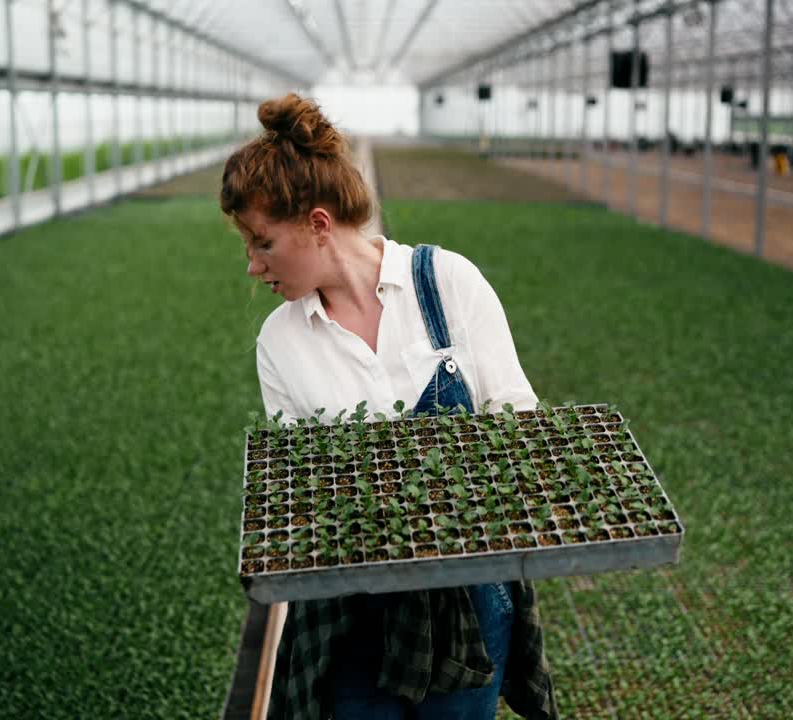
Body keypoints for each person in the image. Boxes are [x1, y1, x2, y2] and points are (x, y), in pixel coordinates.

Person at [220, 93, 559, 720]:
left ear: (317, 224)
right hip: (353, 616)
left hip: (467, 605)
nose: (252, 265)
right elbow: (305, 493)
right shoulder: (281, 341)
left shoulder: (445, 283)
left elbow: (518, 425)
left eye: (263, 243)